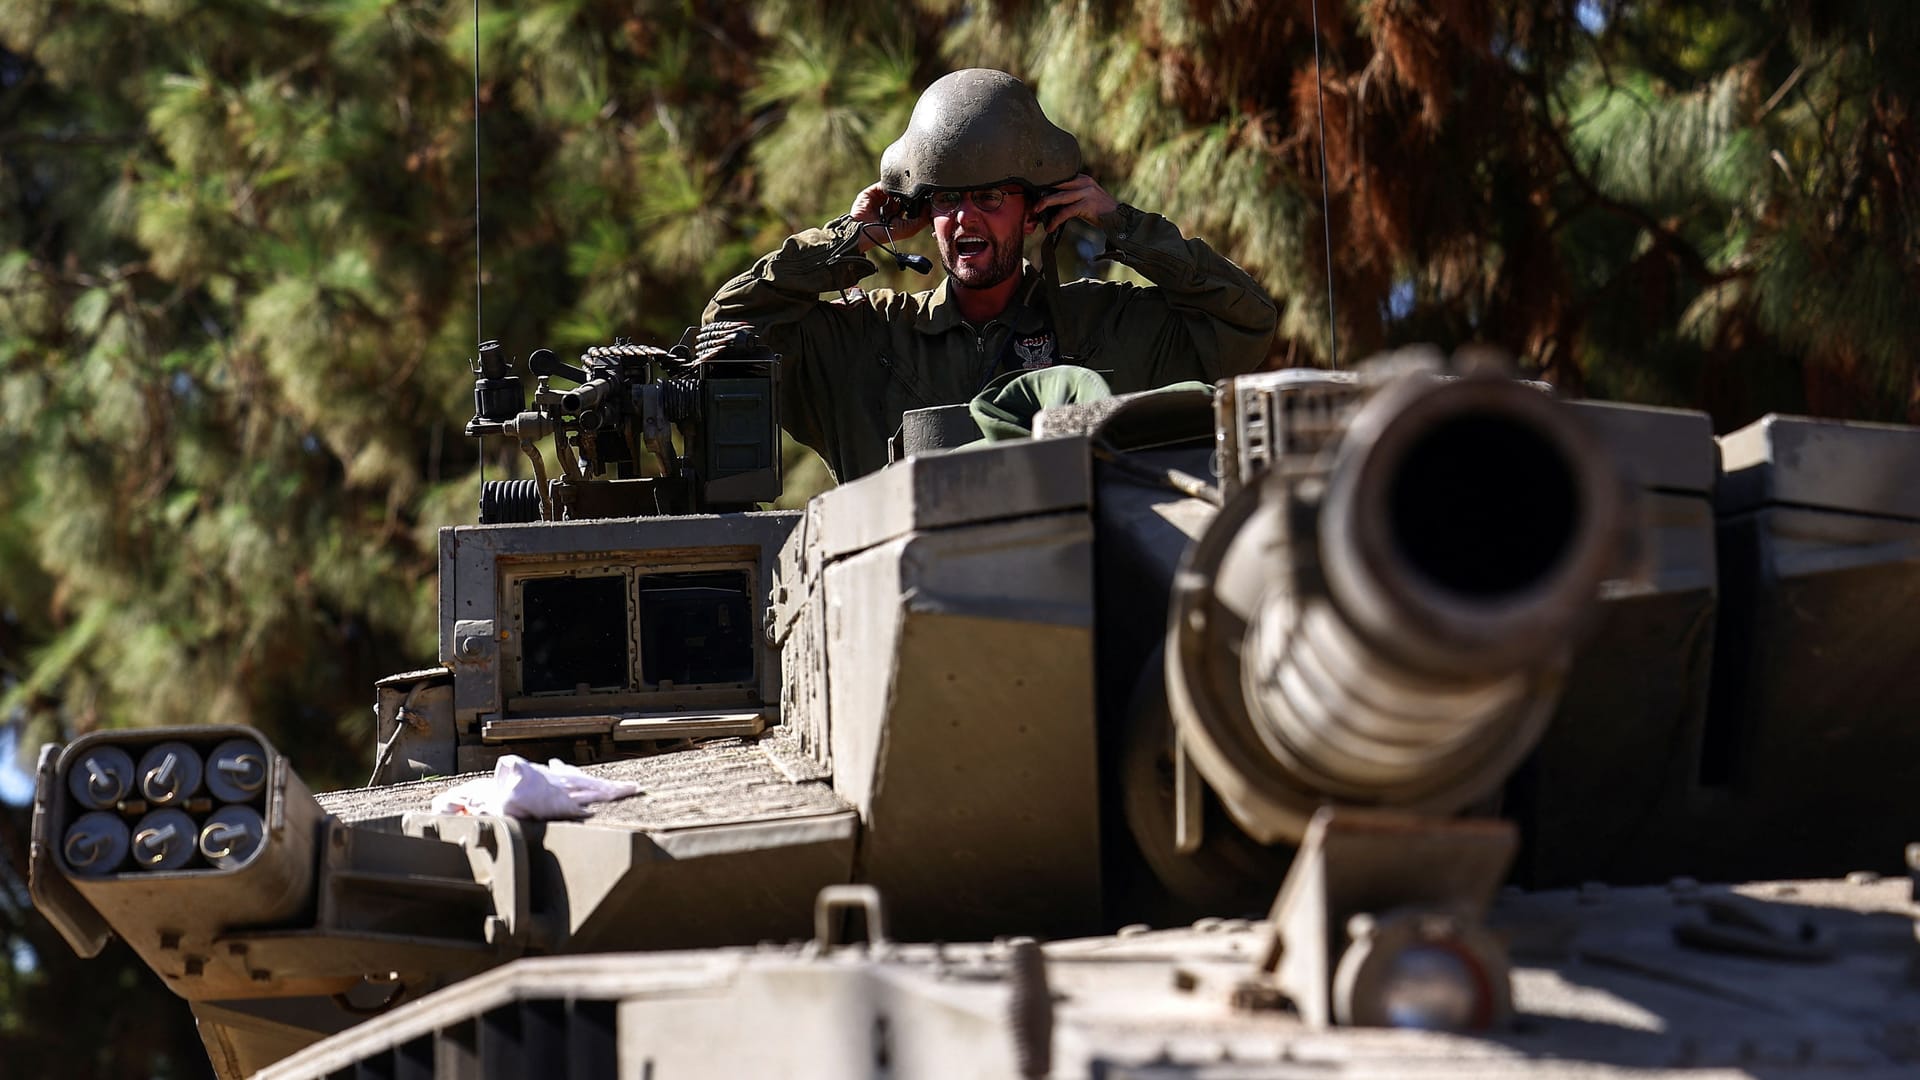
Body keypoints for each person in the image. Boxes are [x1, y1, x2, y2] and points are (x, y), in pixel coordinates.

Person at [704, 68, 1278, 482]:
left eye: (988, 196)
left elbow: (1243, 323)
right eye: (946, 199)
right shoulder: (868, 339)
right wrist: (848, 241)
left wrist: (1121, 224)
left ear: (1035, 211)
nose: (963, 218)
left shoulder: (1103, 325)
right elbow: (727, 330)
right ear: (923, 214)